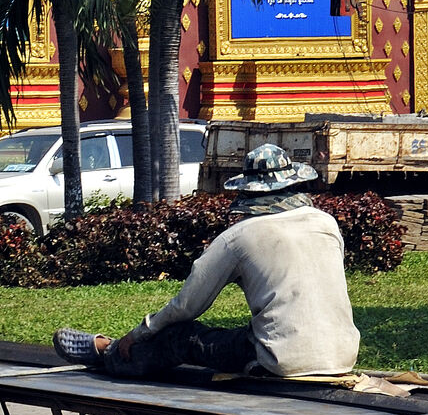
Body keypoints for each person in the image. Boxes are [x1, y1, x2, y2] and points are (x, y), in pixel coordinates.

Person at [54, 143, 358, 380]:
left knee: (180, 336)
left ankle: (108, 351)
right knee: (252, 331)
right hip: (344, 354)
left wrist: (138, 334)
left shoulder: (239, 235)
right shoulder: (326, 223)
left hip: (282, 360)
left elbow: (186, 307)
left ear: (248, 191)